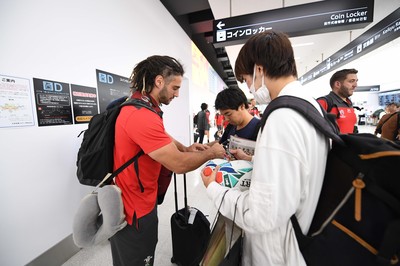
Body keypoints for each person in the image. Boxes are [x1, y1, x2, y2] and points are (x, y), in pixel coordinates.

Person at [201, 30, 330, 265]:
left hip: (277, 252)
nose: (249, 87)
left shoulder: (282, 118)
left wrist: (214, 189)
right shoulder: (309, 107)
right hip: (304, 237)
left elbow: (260, 215)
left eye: (247, 79)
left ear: (259, 69)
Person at [111, 55, 225, 266]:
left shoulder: (143, 107)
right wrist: (210, 153)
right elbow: (178, 165)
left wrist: (186, 147)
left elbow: (161, 136)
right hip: (134, 210)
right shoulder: (140, 115)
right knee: (138, 259)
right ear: (159, 81)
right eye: (175, 88)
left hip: (143, 200)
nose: (177, 94)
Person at [317, 68, 358, 134]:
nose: (355, 85)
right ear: (337, 84)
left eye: (356, 81)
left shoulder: (349, 103)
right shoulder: (323, 102)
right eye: (351, 81)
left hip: (348, 144)